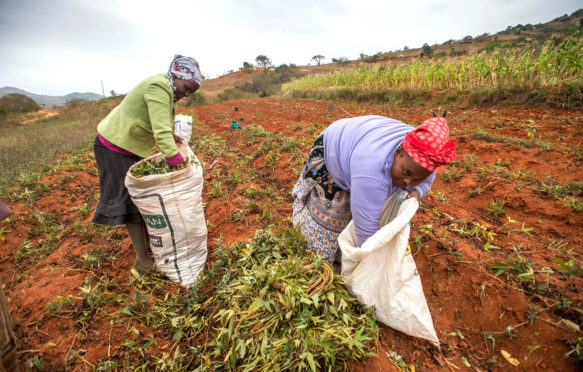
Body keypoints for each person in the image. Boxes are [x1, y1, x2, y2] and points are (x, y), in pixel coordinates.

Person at [292, 114, 459, 264]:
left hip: (361, 149)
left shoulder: (428, 157)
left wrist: (417, 192)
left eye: (416, 178)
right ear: (398, 152)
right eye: (406, 172)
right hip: (335, 147)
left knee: (363, 203)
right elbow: (367, 229)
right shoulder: (372, 170)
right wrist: (375, 264)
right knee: (322, 243)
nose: (408, 181)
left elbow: (427, 179)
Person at [92, 55, 202, 269]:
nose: (186, 94)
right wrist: (178, 163)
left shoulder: (166, 89)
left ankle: (150, 250)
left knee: (140, 202)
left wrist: (172, 136)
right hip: (114, 146)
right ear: (176, 75)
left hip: (130, 147)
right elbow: (159, 131)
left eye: (191, 92)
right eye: (187, 87)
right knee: (130, 203)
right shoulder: (159, 87)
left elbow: (155, 122)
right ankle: (143, 260)